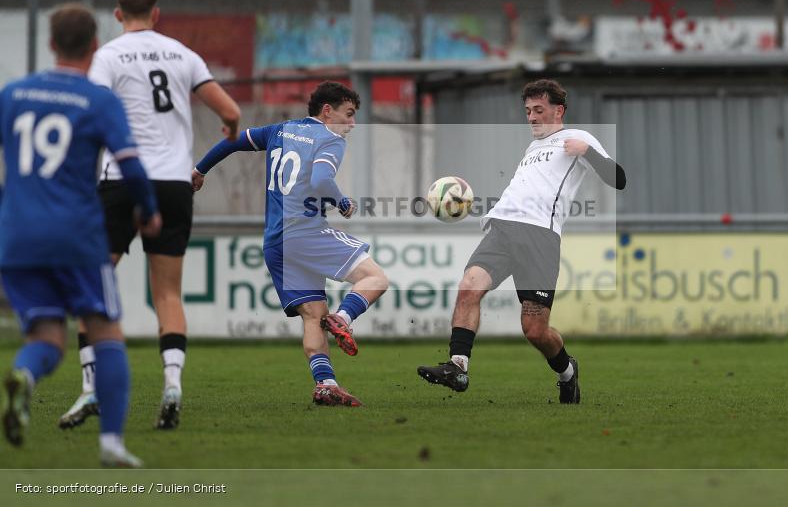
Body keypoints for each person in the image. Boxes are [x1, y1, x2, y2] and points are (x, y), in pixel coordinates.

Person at [58, 0, 241, 431]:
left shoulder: (108, 57)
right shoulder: (182, 53)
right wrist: (231, 132)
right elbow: (231, 111)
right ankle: (173, 384)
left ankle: (89, 389)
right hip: (174, 184)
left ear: (118, 14)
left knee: (92, 282)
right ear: (156, 13)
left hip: (121, 179)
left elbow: (90, 107)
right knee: (168, 293)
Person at [0, 4, 161, 466]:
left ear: (51, 44)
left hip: (18, 238)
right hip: (77, 237)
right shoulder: (97, 100)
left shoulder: (13, 94)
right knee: (106, 331)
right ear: (94, 46)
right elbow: (130, 162)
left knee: (47, 337)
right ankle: (111, 444)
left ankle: (24, 380)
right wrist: (147, 211)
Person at [417, 79, 626, 403]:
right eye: (528, 111)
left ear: (559, 111)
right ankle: (457, 367)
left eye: (538, 110)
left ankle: (567, 372)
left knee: (534, 329)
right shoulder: (532, 148)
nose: (531, 117)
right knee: (469, 286)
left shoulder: (579, 139)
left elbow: (619, 179)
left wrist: (586, 152)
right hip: (502, 229)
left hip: (540, 237)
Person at [192, 81, 389, 406]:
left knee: (313, 315)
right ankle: (345, 318)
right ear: (327, 111)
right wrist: (342, 202)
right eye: (349, 114)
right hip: (305, 233)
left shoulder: (280, 130)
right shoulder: (331, 138)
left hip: (275, 241)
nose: (352, 124)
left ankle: (325, 384)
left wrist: (200, 170)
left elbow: (234, 141)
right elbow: (321, 180)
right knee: (376, 279)